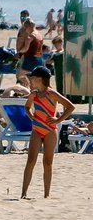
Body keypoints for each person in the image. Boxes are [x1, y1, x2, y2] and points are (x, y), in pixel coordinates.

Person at [21, 66, 75, 199]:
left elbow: (70, 107)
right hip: (37, 130)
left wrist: (58, 120)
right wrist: (31, 116)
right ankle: (23, 193)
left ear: (39, 79)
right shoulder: (33, 94)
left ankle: (46, 195)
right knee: (31, 160)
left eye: (32, 78)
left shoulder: (52, 94)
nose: (30, 80)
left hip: (50, 130)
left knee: (47, 162)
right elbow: (27, 107)